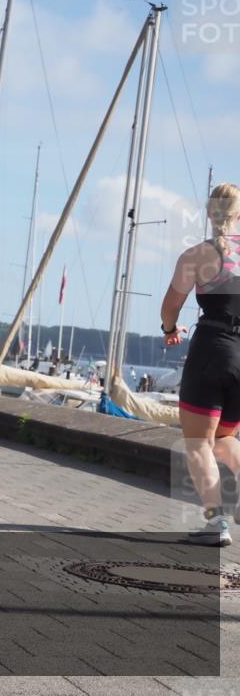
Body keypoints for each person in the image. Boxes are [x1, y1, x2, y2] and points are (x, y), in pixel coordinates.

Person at [161, 182, 240, 547]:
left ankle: (216, 522)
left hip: (212, 351)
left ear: (210, 214)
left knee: (197, 443)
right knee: (224, 439)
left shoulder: (196, 256)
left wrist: (169, 329)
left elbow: (170, 306)